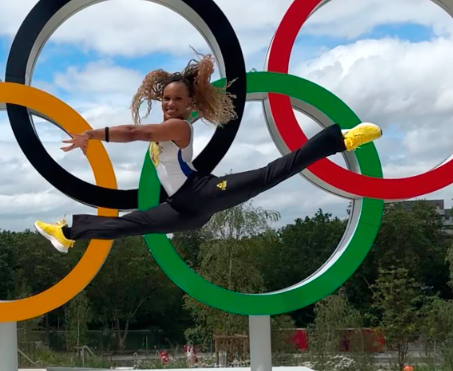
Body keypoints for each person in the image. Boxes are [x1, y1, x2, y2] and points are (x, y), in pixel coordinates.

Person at [34, 55, 382, 253]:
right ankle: (68, 233)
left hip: (199, 194)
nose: (170, 104)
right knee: (131, 223)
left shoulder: (179, 128)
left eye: (178, 100)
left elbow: (134, 132)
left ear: (190, 105)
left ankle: (341, 140)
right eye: (166, 99)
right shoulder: (169, 125)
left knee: (267, 175)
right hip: (183, 211)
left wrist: (92, 135)